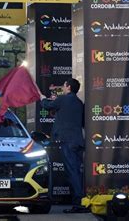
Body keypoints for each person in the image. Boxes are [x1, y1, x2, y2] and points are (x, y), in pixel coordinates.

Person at [40, 78, 86, 213]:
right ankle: (79, 202)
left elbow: (48, 106)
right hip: (78, 141)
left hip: (67, 141)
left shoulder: (63, 99)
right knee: (76, 172)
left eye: (64, 86)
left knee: (72, 172)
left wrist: (42, 98)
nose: (63, 88)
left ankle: (78, 203)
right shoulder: (78, 102)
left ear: (68, 87)